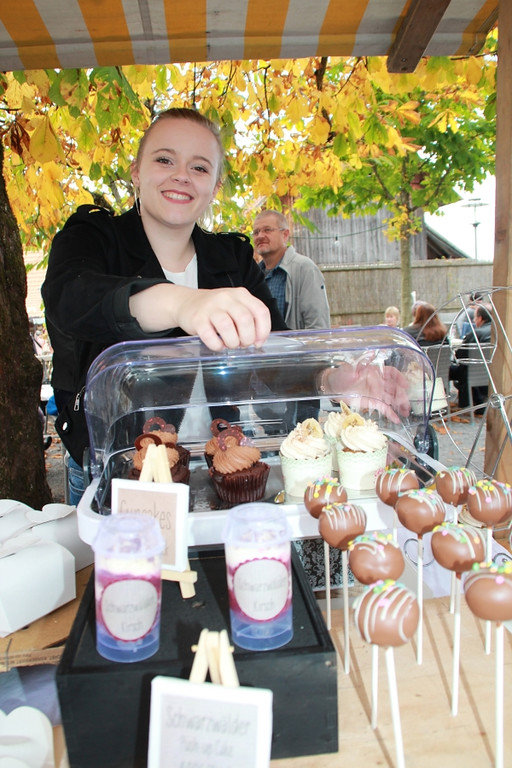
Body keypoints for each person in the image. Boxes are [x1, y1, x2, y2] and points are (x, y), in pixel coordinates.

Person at [42, 108, 288, 505]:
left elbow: (280, 355)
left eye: (200, 167)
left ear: (216, 186)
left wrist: (340, 380)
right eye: (164, 159)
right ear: (137, 171)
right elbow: (69, 298)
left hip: (226, 464)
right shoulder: (94, 236)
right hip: (117, 466)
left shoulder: (234, 258)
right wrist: (181, 302)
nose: (181, 176)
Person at [253, 209, 330, 331]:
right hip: (262, 349)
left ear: (285, 235)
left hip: (294, 349)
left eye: (267, 230)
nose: (260, 236)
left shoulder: (305, 269)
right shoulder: (253, 275)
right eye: (256, 232)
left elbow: (317, 328)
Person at [450, 304, 492, 411]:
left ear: (481, 318)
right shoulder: (498, 332)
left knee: (449, 369)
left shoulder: (476, 333)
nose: (473, 320)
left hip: (471, 373)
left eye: (475, 317)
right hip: (491, 372)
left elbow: (459, 356)